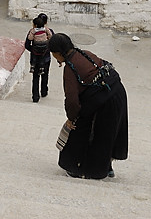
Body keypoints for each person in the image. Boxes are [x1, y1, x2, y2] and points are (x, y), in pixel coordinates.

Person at [49, 32, 128, 180]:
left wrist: (71, 119)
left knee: (86, 133)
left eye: (54, 54)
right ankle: (107, 166)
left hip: (104, 101)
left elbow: (72, 101)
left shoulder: (70, 69)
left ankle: (81, 169)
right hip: (117, 92)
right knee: (108, 134)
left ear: (59, 53)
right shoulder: (85, 53)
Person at [24, 13, 53, 103]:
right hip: (46, 57)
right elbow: (52, 42)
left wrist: (34, 51)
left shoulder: (32, 31)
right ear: (45, 22)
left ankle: (35, 97)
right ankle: (44, 92)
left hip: (35, 59)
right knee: (45, 74)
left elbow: (27, 45)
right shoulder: (49, 31)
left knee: (35, 77)